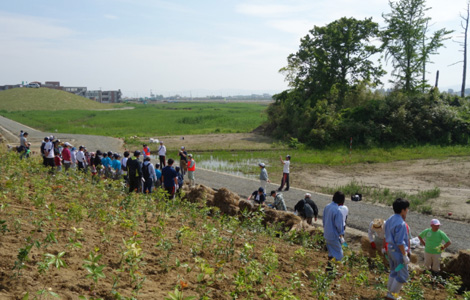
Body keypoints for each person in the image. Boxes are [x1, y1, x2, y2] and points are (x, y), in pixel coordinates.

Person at [384, 198, 410, 300]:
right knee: (402, 275)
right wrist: (404, 255)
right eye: (407, 209)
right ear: (403, 210)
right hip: (398, 252)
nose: (407, 210)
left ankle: (389, 292)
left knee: (394, 271)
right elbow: (400, 242)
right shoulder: (401, 223)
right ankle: (392, 295)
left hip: (390, 249)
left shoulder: (390, 219)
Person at [323, 191, 346, 269]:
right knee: (339, 254)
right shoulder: (337, 211)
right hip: (333, 235)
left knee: (331, 252)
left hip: (326, 233)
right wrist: (341, 235)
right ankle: (334, 270)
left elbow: (324, 220)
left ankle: (329, 269)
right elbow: (339, 226)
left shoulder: (327, 207)